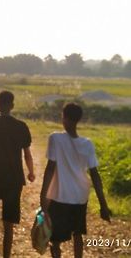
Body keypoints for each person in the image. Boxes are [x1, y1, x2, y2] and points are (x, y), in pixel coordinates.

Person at [40, 102, 111, 258]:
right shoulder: (88, 144)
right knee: (77, 234)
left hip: (60, 196)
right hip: (80, 196)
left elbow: (50, 168)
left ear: (63, 117)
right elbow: (95, 175)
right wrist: (103, 205)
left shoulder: (55, 139)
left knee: (56, 239)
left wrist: (43, 195)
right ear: (78, 119)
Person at [0, 91, 35, 258]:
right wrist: (31, 172)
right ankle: (7, 255)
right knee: (9, 219)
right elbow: (27, 154)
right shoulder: (21, 126)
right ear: (12, 106)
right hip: (14, 176)